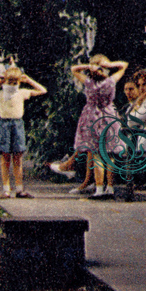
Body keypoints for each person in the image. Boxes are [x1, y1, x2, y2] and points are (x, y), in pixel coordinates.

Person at [51, 54, 128, 193]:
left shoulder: (88, 82)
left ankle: (99, 188)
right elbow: (124, 65)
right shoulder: (111, 81)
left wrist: (89, 66)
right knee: (109, 153)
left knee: (96, 153)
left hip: (92, 117)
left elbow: (74, 69)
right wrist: (108, 65)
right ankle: (109, 187)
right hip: (110, 115)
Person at [0, 66, 47, 199]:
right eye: (10, 82)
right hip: (5, 124)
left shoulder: (21, 93)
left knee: (18, 157)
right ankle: (6, 189)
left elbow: (43, 90)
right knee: (5, 158)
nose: (12, 85)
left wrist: (29, 80)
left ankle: (19, 189)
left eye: (15, 82)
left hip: (17, 124)